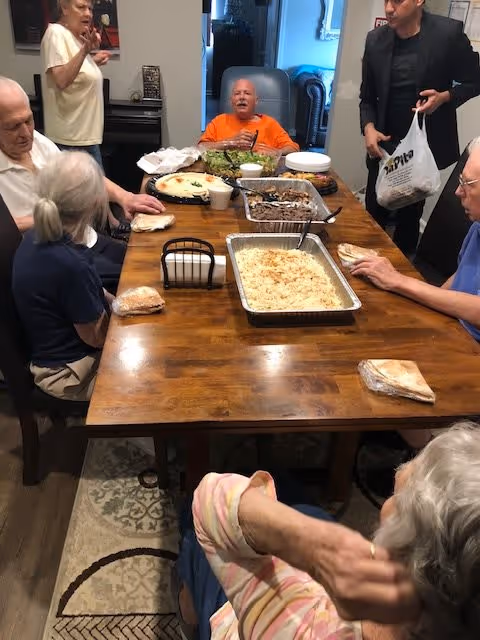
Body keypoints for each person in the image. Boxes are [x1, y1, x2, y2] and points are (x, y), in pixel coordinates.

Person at [175, 423, 480, 640]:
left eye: (397, 501)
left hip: (243, 620)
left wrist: (311, 545)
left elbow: (211, 499)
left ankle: (190, 615)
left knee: (191, 528)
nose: (387, 507)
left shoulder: (299, 626)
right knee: (292, 490)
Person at [0, 76, 166, 292]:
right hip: (50, 260)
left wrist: (125, 196)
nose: (25, 133)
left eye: (28, 121)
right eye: (12, 127)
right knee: (143, 277)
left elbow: (82, 175)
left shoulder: (38, 142)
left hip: (82, 238)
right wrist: (51, 217)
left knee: (149, 259)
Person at [360, 0, 480, 258]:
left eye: (398, 1)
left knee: (409, 219)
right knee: (373, 216)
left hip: (424, 148)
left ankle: (403, 279)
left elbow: (474, 81)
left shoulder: (447, 34)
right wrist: (368, 127)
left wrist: (445, 97)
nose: (389, 8)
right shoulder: (375, 40)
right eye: (386, 0)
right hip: (384, 147)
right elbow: (367, 98)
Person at [350, 137, 480, 342]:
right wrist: (429, 307)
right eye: (459, 181)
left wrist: (399, 281)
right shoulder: (477, 227)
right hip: (455, 329)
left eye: (467, 184)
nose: (457, 191)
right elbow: (462, 278)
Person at [12, 151, 111, 402]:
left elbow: (92, 293)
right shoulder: (71, 264)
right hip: (67, 373)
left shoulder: (36, 235)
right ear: (94, 203)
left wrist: (113, 300)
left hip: (49, 354)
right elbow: (97, 338)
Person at [40, 0, 110, 167]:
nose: (88, 13)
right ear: (64, 8)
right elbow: (62, 79)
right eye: (80, 7)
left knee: (97, 192)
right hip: (70, 142)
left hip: (84, 139)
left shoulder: (74, 38)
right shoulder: (55, 33)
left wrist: (91, 61)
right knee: (94, 193)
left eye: (90, 8)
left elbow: (74, 74)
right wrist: (85, 51)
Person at [199, 79, 299, 155]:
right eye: (237, 93)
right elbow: (201, 147)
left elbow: (293, 148)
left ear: (256, 100)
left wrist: (276, 152)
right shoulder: (219, 121)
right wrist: (230, 142)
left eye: (247, 93)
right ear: (231, 100)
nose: (242, 97)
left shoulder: (269, 123)